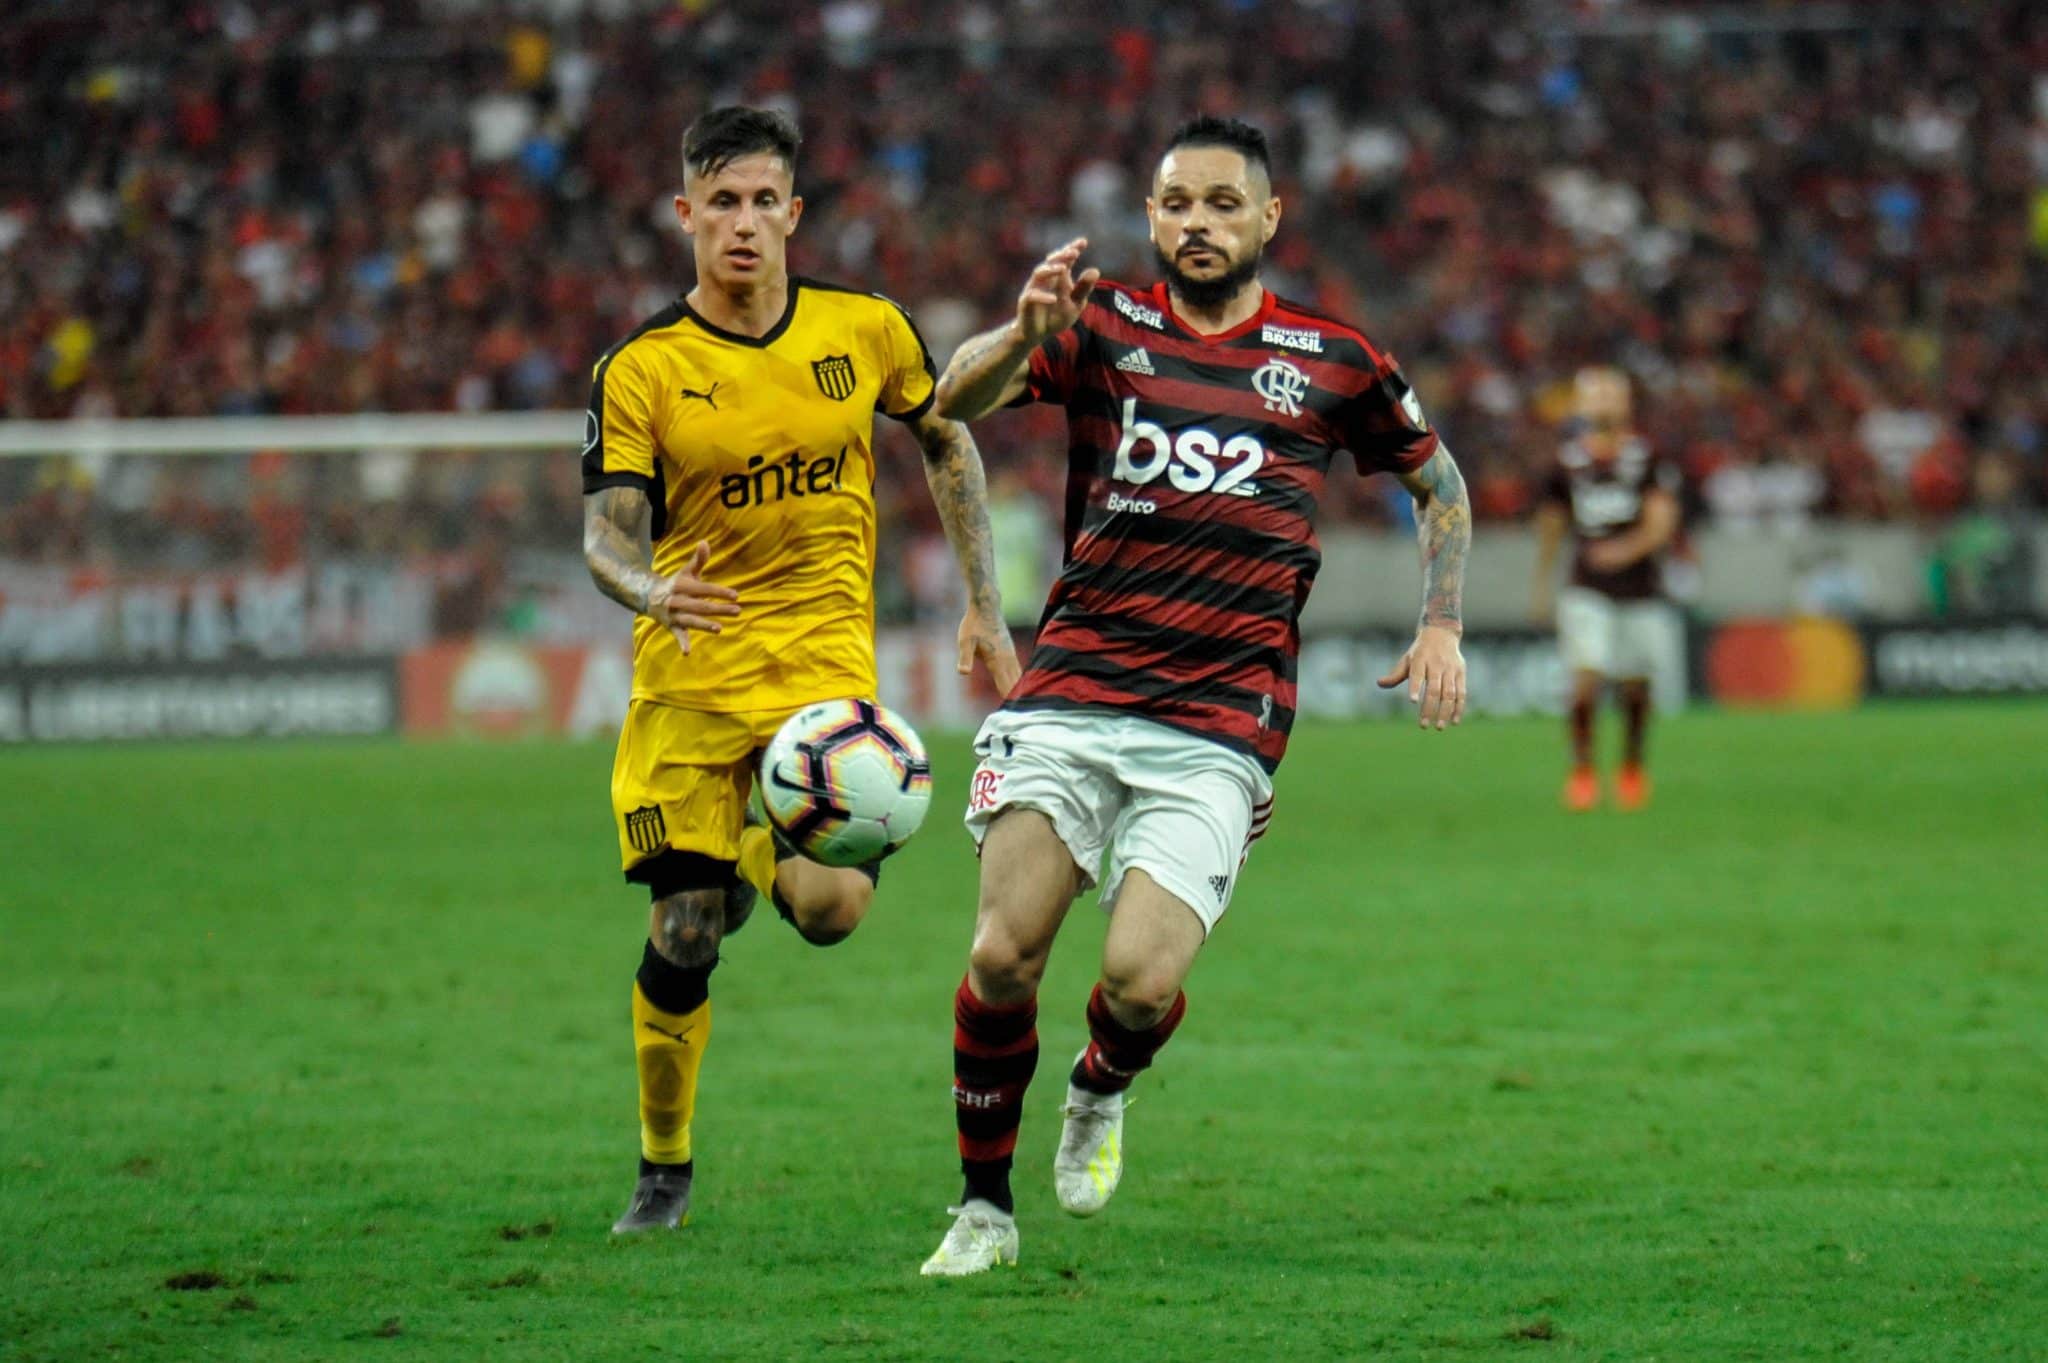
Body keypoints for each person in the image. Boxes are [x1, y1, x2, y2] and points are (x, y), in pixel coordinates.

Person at [915, 116, 1472, 1276]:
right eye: (1176, 204)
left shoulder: (1333, 359)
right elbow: (948, 405)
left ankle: (1099, 1085)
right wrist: (1017, 336)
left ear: (1269, 218)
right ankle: (982, 1208)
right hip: (1072, 689)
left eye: (1223, 204)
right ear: (1151, 216)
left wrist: (1441, 622)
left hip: (1217, 722)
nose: (1197, 224)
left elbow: (1439, 481)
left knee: (1133, 979)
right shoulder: (1100, 326)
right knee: (1001, 954)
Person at [580, 107, 1020, 1234]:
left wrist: (981, 597)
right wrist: (647, 589)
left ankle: (748, 849)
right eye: (718, 202)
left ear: (793, 214)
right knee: (684, 929)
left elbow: (945, 434)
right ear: (685, 215)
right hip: (688, 671)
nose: (741, 223)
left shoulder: (863, 328)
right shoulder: (641, 368)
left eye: (761, 200)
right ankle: (663, 1167)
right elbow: (606, 536)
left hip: (819, 674)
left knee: (830, 912)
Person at [1531, 367, 1680, 812]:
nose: (1603, 404)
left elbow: (1663, 521)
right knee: (1586, 679)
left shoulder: (1647, 458)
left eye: (1610, 395)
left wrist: (1625, 549)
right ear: (1580, 406)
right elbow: (1553, 526)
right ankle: (1582, 770)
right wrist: (1542, 583)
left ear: (1626, 404)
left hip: (1641, 589)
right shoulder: (1566, 463)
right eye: (1593, 396)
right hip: (1586, 586)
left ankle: (1632, 766)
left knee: (1636, 688)